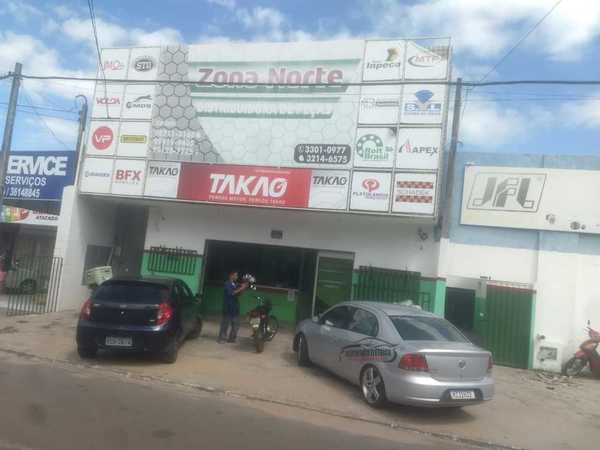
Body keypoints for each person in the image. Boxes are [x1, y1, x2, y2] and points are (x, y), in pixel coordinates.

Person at [218, 270, 248, 343]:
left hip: (235, 307)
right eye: (236, 275)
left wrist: (243, 288)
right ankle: (221, 339)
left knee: (236, 324)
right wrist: (241, 288)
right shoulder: (227, 284)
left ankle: (232, 339)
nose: (237, 277)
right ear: (231, 276)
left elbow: (238, 294)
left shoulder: (235, 284)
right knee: (225, 324)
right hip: (228, 307)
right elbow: (231, 293)